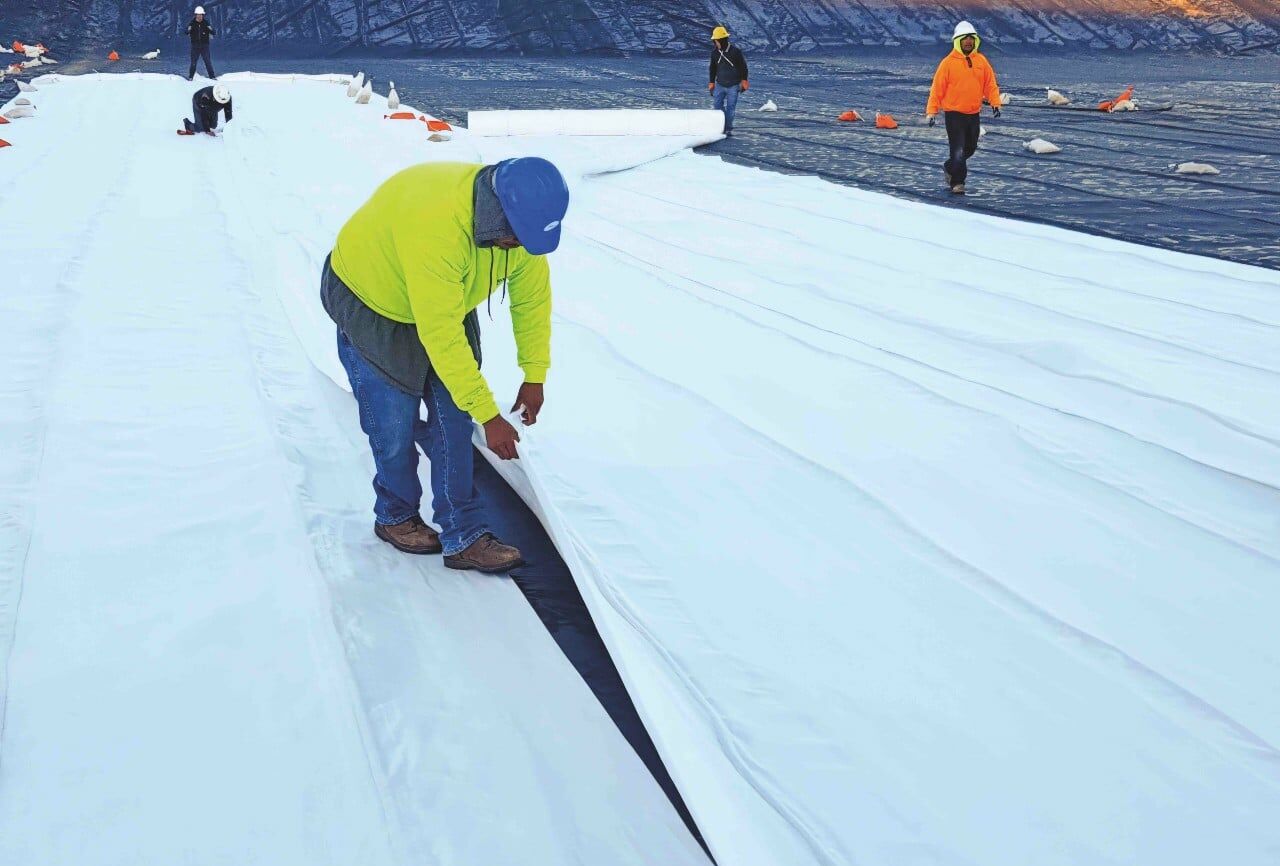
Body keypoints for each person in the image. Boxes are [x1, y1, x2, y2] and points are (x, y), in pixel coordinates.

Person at [321, 159, 569, 573]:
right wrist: (489, 416)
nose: (521, 250)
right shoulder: (437, 228)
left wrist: (534, 374)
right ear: (497, 216)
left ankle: (464, 535)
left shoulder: (522, 228)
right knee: (393, 424)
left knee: (453, 421)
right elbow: (441, 336)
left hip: (441, 297)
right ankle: (395, 516)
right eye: (515, 240)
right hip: (374, 302)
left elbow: (532, 301)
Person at [925, 21, 1002, 195]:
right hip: (954, 114)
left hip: (973, 113)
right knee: (958, 149)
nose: (968, 42)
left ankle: (950, 166)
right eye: (964, 39)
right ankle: (958, 182)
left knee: (970, 148)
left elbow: (990, 84)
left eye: (971, 39)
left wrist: (995, 103)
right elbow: (937, 88)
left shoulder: (981, 61)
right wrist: (932, 112)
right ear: (958, 42)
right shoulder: (948, 63)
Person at [708, 26, 748, 137]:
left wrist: (744, 80)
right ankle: (722, 125)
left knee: (731, 108)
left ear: (722, 40)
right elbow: (712, 68)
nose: (715, 43)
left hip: (733, 86)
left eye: (716, 41)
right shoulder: (714, 53)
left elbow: (743, 67)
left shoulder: (735, 52)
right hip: (719, 84)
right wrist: (711, 82)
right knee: (717, 107)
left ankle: (728, 128)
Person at [186, 5, 217, 81]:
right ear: (196, 15)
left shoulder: (206, 23)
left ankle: (212, 77)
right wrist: (188, 30)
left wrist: (210, 29)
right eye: (198, 15)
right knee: (193, 63)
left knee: (208, 62)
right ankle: (190, 77)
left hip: (204, 46)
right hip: (195, 46)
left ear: (203, 15)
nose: (200, 17)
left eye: (201, 15)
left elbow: (213, 32)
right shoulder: (192, 23)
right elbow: (186, 32)